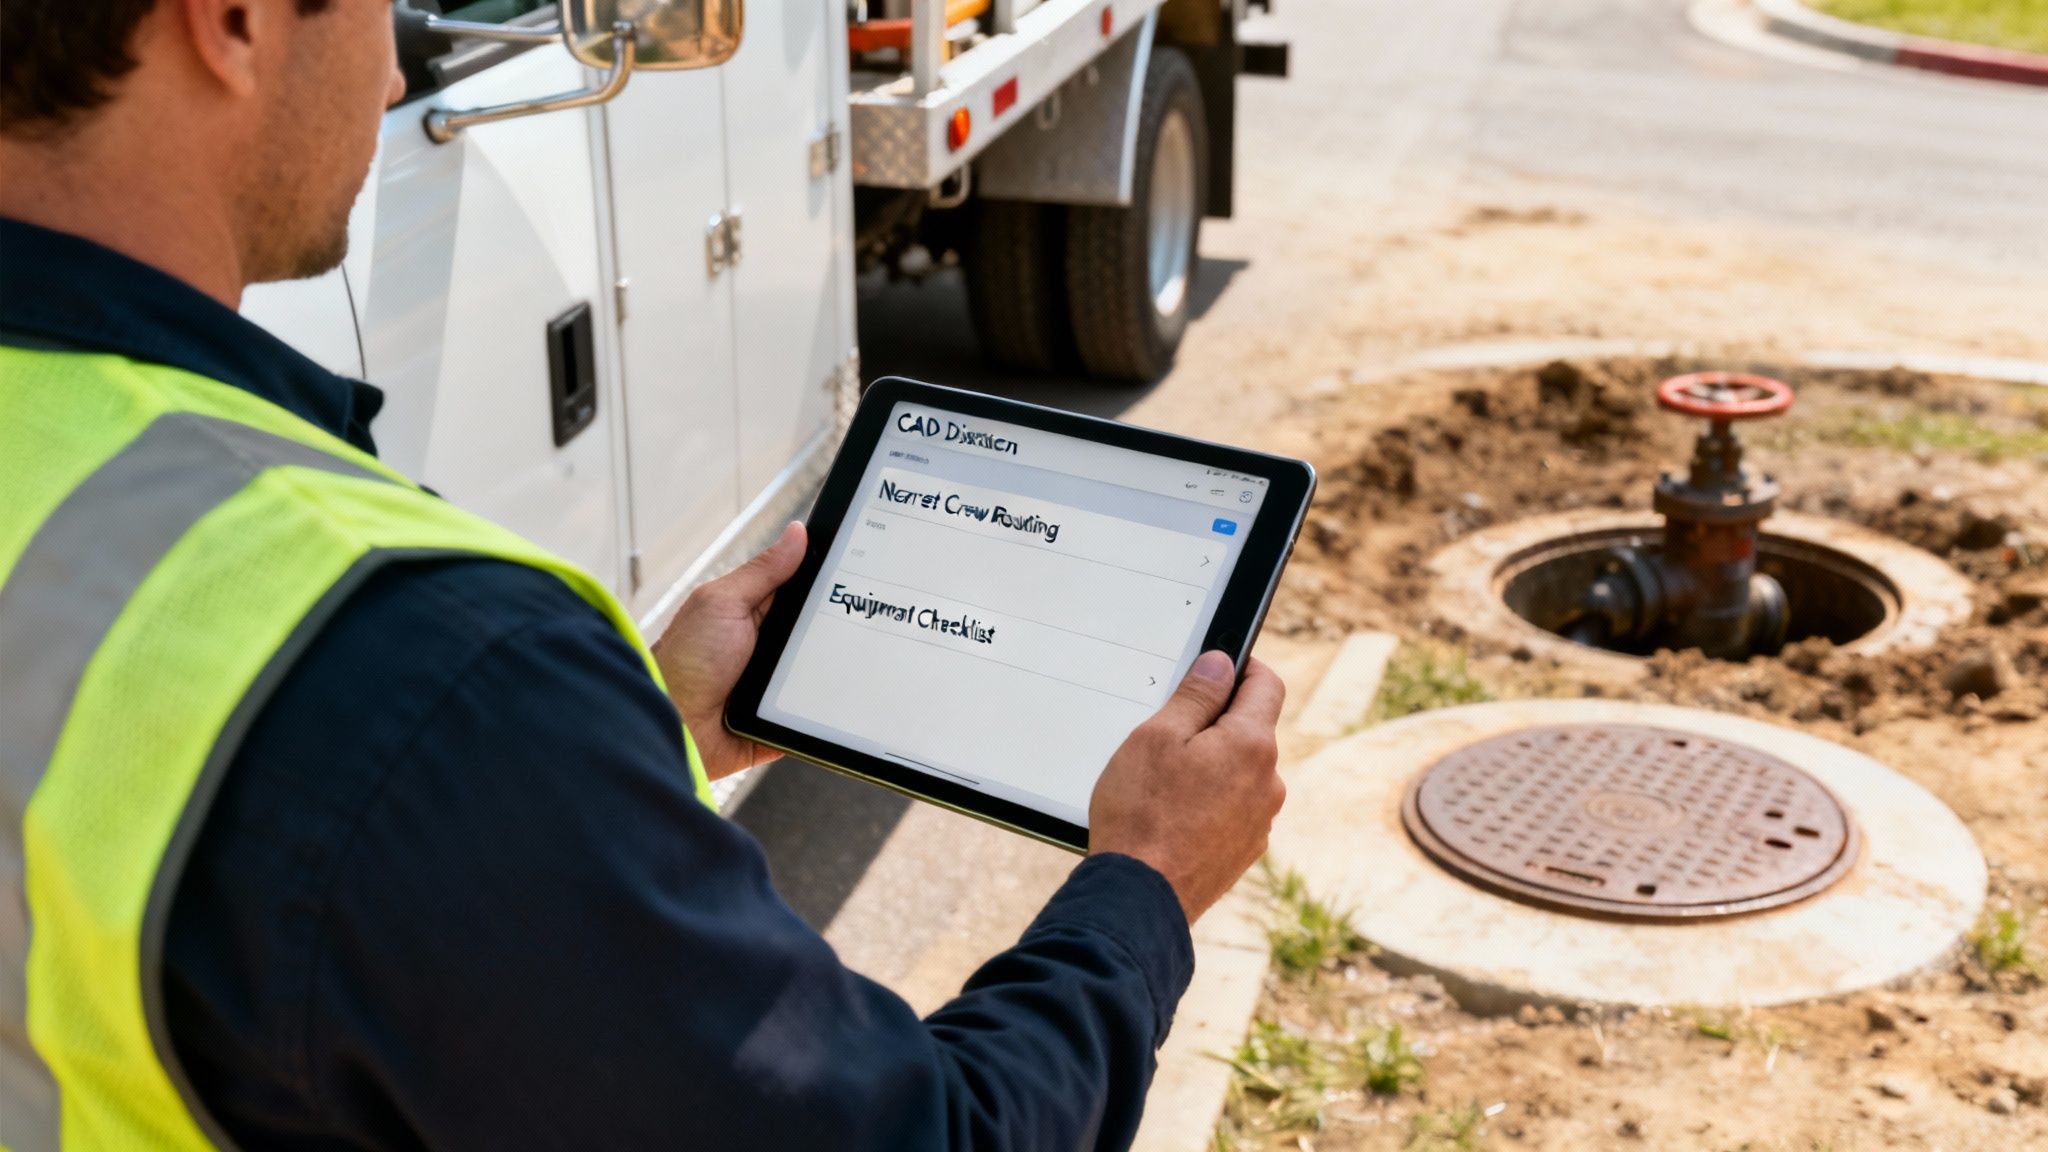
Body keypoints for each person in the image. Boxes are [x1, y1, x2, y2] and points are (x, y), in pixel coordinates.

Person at [0, 2, 1289, 1150]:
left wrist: (650, 737)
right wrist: (1147, 887)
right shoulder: (422, 667)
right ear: (230, 21)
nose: (393, 73)